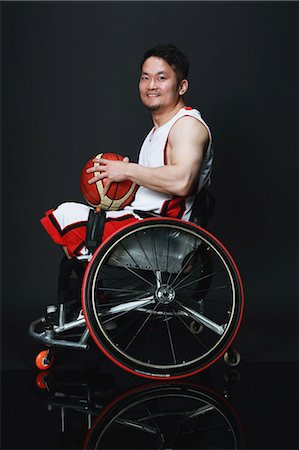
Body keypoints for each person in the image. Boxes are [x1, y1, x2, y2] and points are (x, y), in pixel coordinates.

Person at [41, 43, 213, 259]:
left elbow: (183, 182)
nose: (151, 85)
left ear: (182, 86)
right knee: (73, 217)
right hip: (142, 222)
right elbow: (155, 188)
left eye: (161, 78)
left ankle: (96, 289)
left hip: (163, 232)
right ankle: (99, 291)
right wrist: (118, 190)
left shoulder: (187, 126)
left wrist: (128, 171)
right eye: (145, 77)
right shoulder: (156, 132)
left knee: (67, 215)